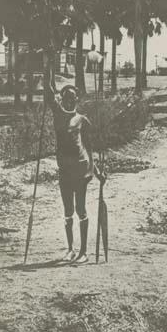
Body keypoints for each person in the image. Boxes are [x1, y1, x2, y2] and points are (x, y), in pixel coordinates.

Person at [45, 79, 96, 264]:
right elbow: (48, 93)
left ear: (77, 100)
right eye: (66, 98)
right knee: (68, 210)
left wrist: (96, 171)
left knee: (80, 209)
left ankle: (83, 252)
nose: (69, 101)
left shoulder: (83, 120)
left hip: (81, 171)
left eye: (73, 98)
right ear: (62, 99)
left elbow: (89, 148)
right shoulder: (58, 115)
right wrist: (48, 60)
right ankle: (70, 250)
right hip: (64, 171)